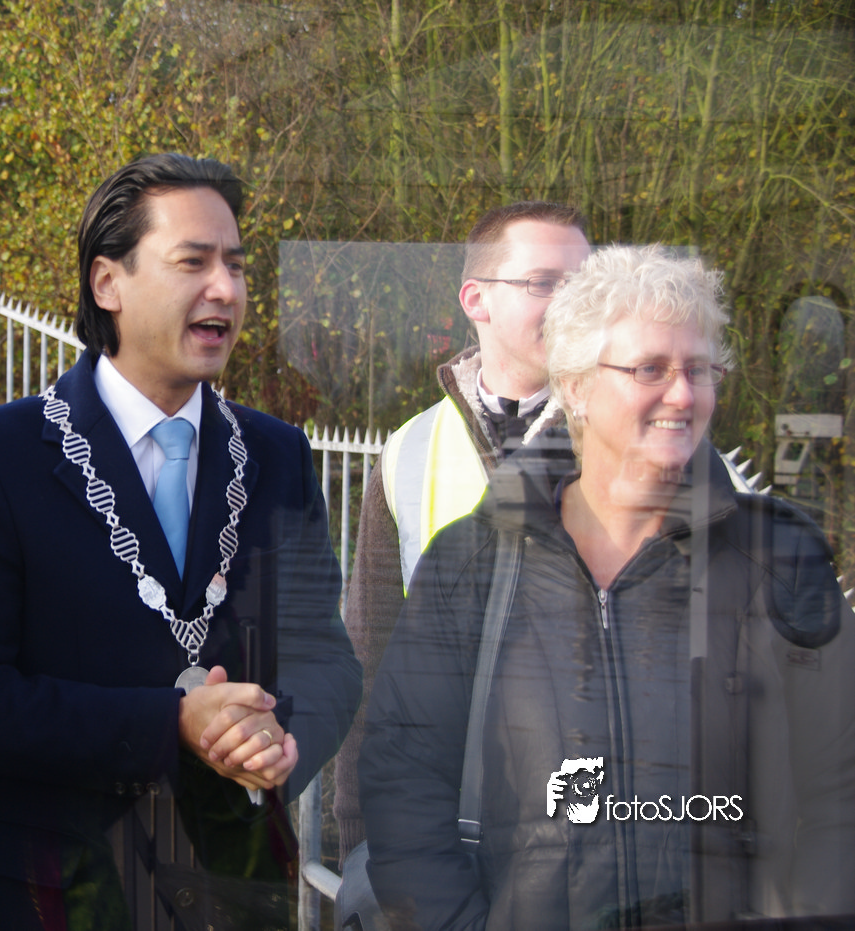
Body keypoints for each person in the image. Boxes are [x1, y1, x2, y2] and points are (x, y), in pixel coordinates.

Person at [0, 153, 361, 930]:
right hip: (50, 898)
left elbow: (328, 661)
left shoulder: (277, 455)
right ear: (107, 282)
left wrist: (279, 740)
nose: (225, 289)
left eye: (236, 265)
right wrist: (166, 725)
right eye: (193, 262)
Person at [359, 245, 855, 929]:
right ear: (577, 387)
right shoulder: (473, 562)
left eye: (698, 370)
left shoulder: (780, 560)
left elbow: (838, 791)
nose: (682, 394)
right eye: (649, 368)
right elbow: (405, 783)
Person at [333, 202, 589, 879]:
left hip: (586, 830)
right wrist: (358, 836)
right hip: (441, 830)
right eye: (544, 283)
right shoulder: (409, 449)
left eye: (583, 285)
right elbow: (372, 653)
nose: (571, 305)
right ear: (476, 300)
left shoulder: (628, 437)